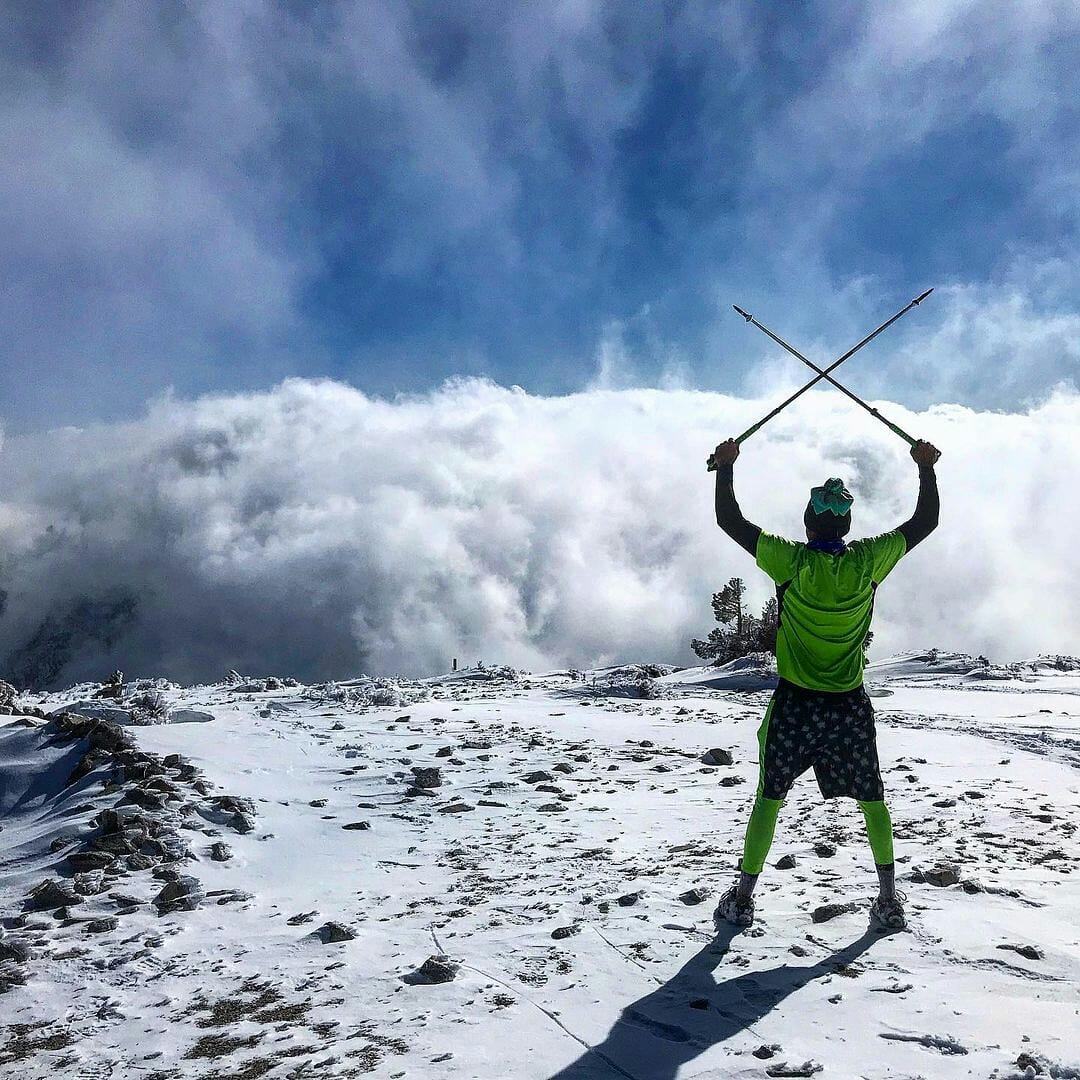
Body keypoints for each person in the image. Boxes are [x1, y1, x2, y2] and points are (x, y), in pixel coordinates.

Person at [710, 436, 941, 930]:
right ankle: (888, 900)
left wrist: (726, 467)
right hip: (849, 706)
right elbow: (925, 523)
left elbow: (730, 522)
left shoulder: (789, 562)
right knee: (872, 798)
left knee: (769, 796)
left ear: (809, 523)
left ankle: (744, 897)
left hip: (796, 704)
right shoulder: (867, 563)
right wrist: (925, 468)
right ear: (847, 525)